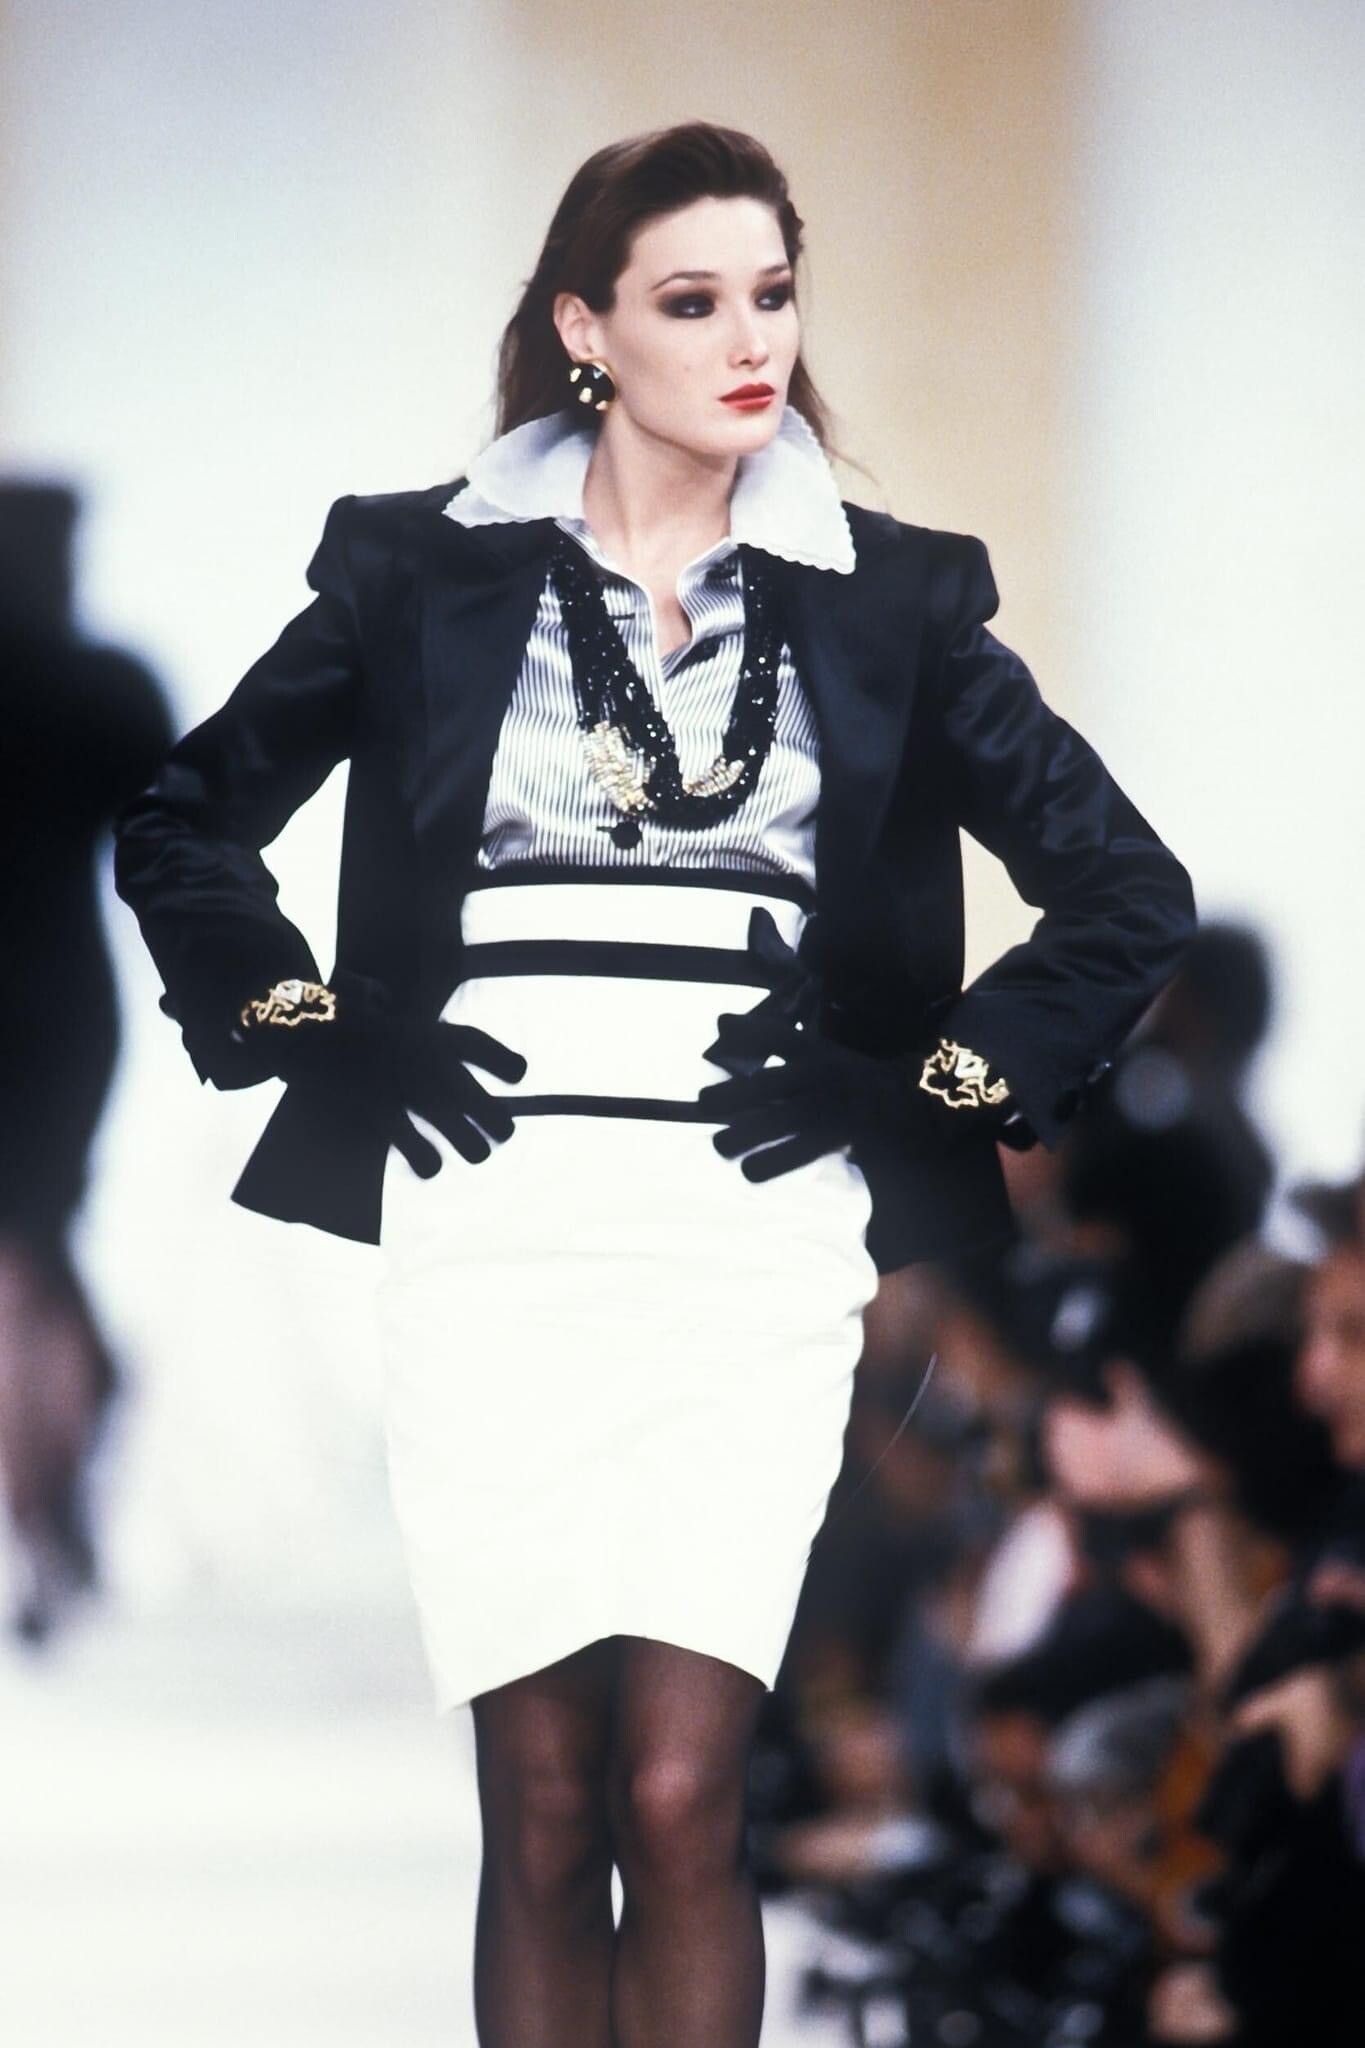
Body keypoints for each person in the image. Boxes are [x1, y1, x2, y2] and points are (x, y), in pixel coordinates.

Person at [111, 122, 1196, 2048]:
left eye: (771, 292)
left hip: (750, 1241)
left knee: (684, 1794)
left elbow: (1125, 890)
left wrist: (922, 1088)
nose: (749, 339)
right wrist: (311, 1020)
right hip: (493, 1226)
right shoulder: (421, 572)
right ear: (584, 328)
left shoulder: (888, 599)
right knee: (542, 1806)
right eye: (692, 300)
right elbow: (185, 819)